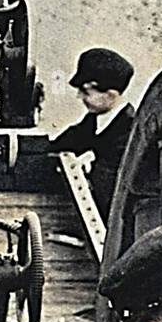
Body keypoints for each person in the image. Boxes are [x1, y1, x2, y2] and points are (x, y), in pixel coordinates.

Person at [47, 48, 134, 218]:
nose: (79, 96)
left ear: (110, 95)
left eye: (86, 91)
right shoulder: (91, 123)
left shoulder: (130, 133)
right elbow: (56, 146)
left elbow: (108, 189)